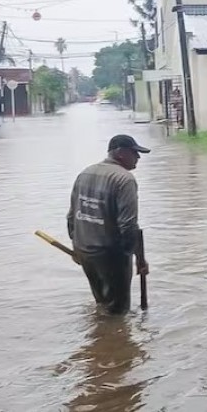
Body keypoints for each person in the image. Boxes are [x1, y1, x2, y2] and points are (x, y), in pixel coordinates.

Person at [67, 134, 150, 315]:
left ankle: (101, 330)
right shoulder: (125, 179)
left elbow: (72, 217)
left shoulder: (85, 173)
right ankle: (116, 332)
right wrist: (139, 258)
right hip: (110, 256)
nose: (138, 157)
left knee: (102, 303)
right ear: (120, 153)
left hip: (85, 251)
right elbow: (128, 226)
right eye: (134, 153)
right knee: (118, 312)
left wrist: (77, 247)